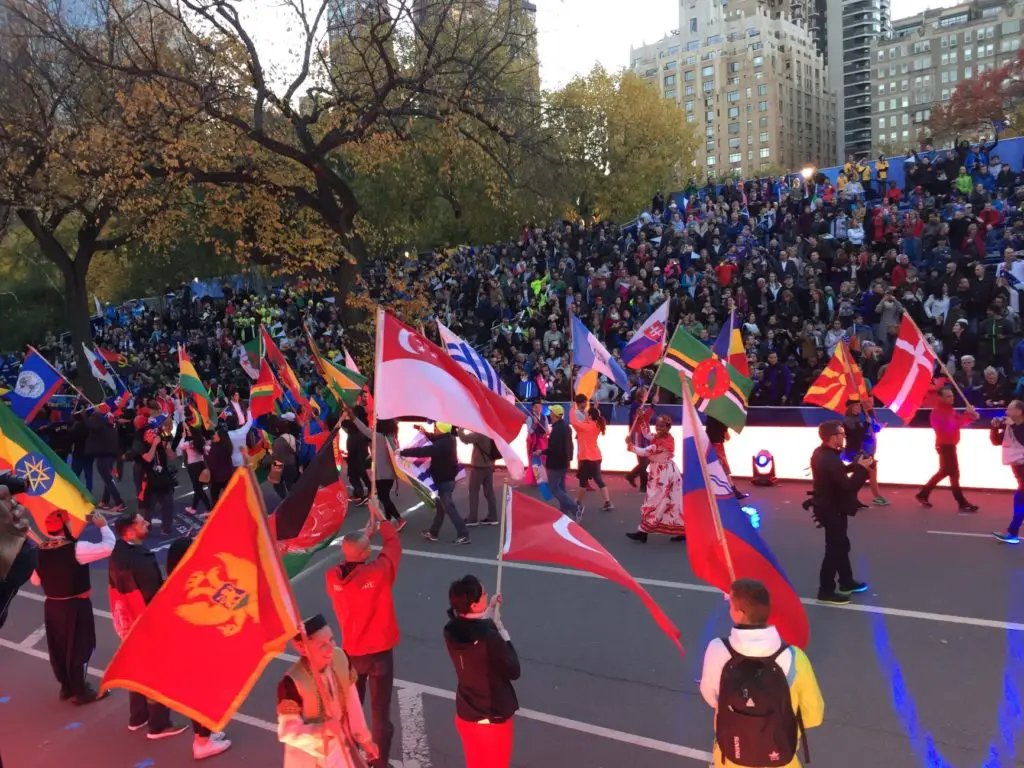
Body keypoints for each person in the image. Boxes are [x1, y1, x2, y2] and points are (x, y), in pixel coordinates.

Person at [699, 579, 824, 768]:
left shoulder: (717, 649)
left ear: (739, 614)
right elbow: (813, 715)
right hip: (780, 757)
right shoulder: (795, 656)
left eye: (730, 604)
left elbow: (711, 697)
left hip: (731, 755)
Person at [325, 518, 401, 768]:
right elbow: (393, 545)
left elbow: (353, 555)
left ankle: (352, 758)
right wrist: (382, 522)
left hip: (352, 654)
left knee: (351, 713)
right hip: (379, 653)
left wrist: (365, 533)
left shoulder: (332, 579)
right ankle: (379, 764)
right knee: (380, 716)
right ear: (367, 553)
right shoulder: (378, 572)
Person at [108, 511, 188, 739]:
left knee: (136, 668)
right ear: (131, 530)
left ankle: (138, 716)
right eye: (142, 522)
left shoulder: (118, 553)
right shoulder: (141, 558)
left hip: (127, 621)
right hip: (146, 622)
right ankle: (159, 724)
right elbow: (153, 594)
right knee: (156, 672)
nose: (147, 523)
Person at [30, 509, 114, 705]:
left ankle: (66, 687)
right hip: (75, 605)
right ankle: (80, 691)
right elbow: (108, 547)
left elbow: (35, 580)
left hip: (52, 606)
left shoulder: (40, 551)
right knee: (81, 647)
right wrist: (103, 527)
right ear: (64, 527)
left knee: (58, 648)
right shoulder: (76, 549)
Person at [277, 614, 378, 768]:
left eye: (331, 639)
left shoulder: (341, 657)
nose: (330, 649)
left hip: (339, 748)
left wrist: (364, 738)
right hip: (310, 756)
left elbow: (352, 701)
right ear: (302, 648)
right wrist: (322, 730)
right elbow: (288, 731)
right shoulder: (291, 682)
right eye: (321, 645)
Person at [165, 536, 233, 760]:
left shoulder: (177, 582)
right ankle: (202, 741)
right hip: (197, 649)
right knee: (204, 692)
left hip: (192, 648)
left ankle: (206, 733)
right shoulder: (188, 586)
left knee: (205, 692)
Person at [444, 575, 520, 768]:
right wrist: (500, 628)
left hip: (466, 713)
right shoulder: (490, 638)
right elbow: (513, 669)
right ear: (475, 604)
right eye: (484, 594)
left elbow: (471, 625)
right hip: (492, 717)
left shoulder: (451, 631)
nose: (487, 596)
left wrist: (489, 611)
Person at [810, 421, 873, 605]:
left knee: (842, 545)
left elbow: (837, 473)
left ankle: (846, 581)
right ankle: (826, 590)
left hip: (831, 507)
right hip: (831, 510)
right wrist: (862, 469)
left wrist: (854, 466)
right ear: (832, 437)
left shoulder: (824, 454)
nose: (844, 436)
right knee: (835, 549)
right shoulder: (828, 458)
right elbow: (848, 487)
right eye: (841, 434)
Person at [403, 423, 470, 545]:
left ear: (441, 429)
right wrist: (425, 432)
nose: (435, 429)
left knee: (449, 507)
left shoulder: (443, 444)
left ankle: (463, 534)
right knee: (441, 507)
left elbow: (424, 451)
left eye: (436, 428)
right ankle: (433, 532)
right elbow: (435, 438)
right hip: (447, 479)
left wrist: (403, 452)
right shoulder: (449, 439)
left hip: (444, 481)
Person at [915, 386, 979, 513]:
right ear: (940, 397)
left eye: (952, 396)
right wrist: (969, 415)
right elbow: (952, 426)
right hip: (945, 445)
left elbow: (957, 422)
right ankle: (961, 502)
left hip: (949, 445)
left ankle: (924, 494)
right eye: (948, 396)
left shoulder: (948, 410)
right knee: (950, 473)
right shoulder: (938, 412)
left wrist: (970, 416)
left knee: (948, 473)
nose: (951, 398)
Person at [626, 415, 684, 543]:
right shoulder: (659, 437)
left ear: (668, 427)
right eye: (657, 425)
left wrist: (630, 445)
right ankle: (680, 530)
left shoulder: (666, 441)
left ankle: (643, 532)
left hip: (664, 476)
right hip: (662, 474)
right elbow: (647, 434)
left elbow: (646, 451)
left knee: (654, 502)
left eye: (662, 426)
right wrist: (641, 420)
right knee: (671, 502)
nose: (658, 428)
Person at [348, 412, 404, 528]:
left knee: (383, 497)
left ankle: (399, 519)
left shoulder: (379, 437)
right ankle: (387, 520)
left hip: (382, 475)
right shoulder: (390, 437)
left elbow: (365, 430)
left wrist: (353, 417)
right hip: (389, 474)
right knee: (385, 497)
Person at [569, 395, 613, 519]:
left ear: (590, 417)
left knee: (582, 482)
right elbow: (588, 419)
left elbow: (574, 422)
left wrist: (572, 409)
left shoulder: (586, 427)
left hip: (587, 458)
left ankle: (577, 502)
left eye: (588, 414)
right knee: (598, 479)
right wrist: (595, 408)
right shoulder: (596, 425)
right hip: (596, 457)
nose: (586, 415)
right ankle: (607, 501)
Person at [841, 398, 888, 507]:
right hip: (856, 451)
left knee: (866, 473)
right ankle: (852, 496)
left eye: (859, 405)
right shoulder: (849, 420)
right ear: (850, 408)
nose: (858, 407)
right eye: (856, 406)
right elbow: (856, 435)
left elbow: (868, 430)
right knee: (866, 473)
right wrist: (867, 425)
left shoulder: (859, 418)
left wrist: (874, 426)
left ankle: (873, 497)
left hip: (864, 451)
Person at [991, 400, 1024, 544]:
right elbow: (996, 441)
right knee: (1020, 501)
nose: (1006, 412)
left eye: (1010, 409)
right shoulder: (1011, 425)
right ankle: (1012, 533)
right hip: (1018, 470)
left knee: (1019, 500)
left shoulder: (1018, 427)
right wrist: (994, 428)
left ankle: (1012, 533)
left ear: (1019, 411)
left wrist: (1012, 426)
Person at [139, 424, 178, 536]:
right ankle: (146, 528)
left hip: (164, 480)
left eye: (153, 435)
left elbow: (172, 456)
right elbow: (148, 458)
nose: (152, 437)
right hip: (151, 481)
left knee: (168, 505)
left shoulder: (162, 446)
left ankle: (166, 527)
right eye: (149, 435)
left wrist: (167, 446)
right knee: (149, 508)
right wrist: (154, 445)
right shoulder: (143, 447)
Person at [540, 405, 577, 518]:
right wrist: (569, 458)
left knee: (554, 488)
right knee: (561, 487)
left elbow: (554, 449)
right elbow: (570, 445)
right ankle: (564, 509)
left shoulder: (556, 430)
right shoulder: (566, 427)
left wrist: (542, 451)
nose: (549, 414)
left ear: (554, 415)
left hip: (555, 463)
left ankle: (575, 508)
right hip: (564, 461)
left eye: (551, 412)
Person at [457, 428, 499, 526]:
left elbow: (465, 439)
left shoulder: (480, 433)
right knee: (489, 492)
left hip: (480, 466)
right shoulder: (490, 431)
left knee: (473, 491)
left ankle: (473, 518)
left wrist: (460, 430)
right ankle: (493, 517)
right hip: (489, 465)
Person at [86, 409, 125, 511]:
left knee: (108, 479)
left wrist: (83, 416)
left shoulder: (100, 428)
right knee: (108, 479)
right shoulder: (112, 429)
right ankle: (105, 500)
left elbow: (89, 424)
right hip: (111, 455)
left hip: (103, 456)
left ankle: (119, 502)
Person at [704, 415, 748, 500]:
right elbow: (727, 437)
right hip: (717, 446)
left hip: (708, 445)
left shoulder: (710, 416)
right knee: (724, 469)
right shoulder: (723, 418)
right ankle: (733, 491)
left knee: (710, 468)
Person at [341, 405, 372, 505]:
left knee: (356, 474)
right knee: (359, 474)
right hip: (359, 452)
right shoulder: (362, 422)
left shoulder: (355, 423)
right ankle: (361, 493)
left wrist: (343, 413)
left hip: (357, 452)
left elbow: (343, 423)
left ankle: (363, 494)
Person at [625, 387, 653, 494]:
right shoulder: (636, 406)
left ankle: (631, 475)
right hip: (638, 435)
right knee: (643, 461)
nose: (648, 394)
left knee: (646, 460)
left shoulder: (639, 405)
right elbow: (643, 418)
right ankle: (643, 485)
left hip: (643, 435)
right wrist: (653, 405)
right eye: (646, 392)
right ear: (642, 395)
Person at [523, 402, 549, 486]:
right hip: (533, 440)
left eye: (540, 407)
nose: (539, 409)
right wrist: (534, 424)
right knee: (534, 459)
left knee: (543, 458)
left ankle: (543, 477)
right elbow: (530, 431)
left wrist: (546, 432)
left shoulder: (544, 417)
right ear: (533, 408)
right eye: (537, 407)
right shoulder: (530, 418)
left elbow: (547, 428)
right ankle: (536, 478)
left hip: (542, 439)